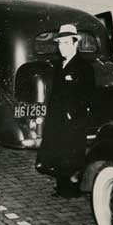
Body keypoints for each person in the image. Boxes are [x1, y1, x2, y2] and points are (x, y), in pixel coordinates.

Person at [35, 24, 95, 198]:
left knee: (71, 153)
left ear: (75, 44)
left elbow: (87, 95)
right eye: (60, 44)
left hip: (73, 119)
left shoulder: (83, 67)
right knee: (60, 151)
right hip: (58, 117)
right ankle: (61, 187)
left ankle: (72, 189)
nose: (62, 48)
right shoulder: (59, 65)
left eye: (66, 43)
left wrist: (73, 114)